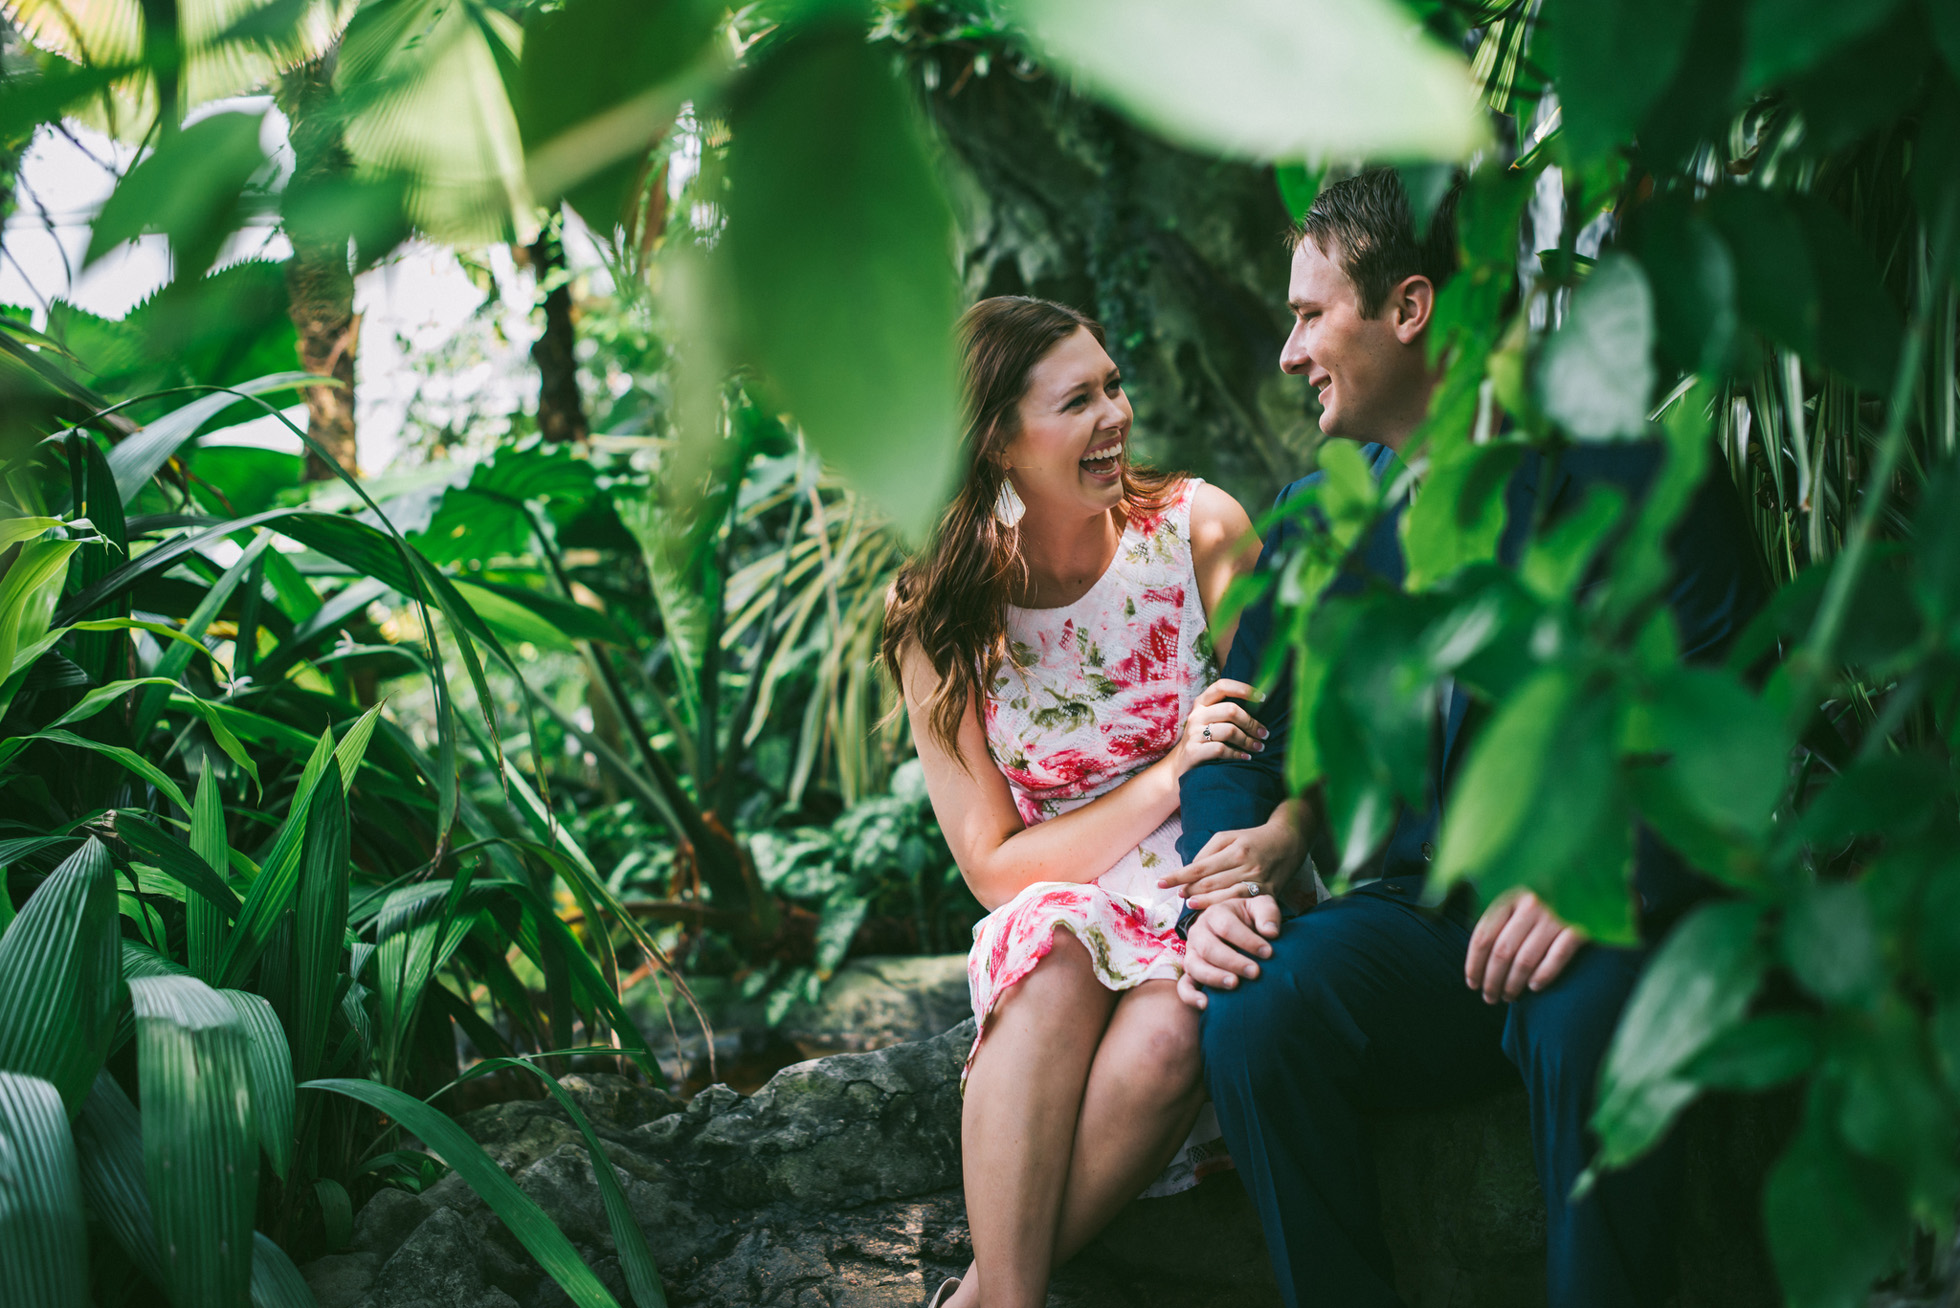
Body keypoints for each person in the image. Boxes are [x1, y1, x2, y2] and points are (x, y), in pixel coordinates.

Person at [1173, 170, 1770, 1308]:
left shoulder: (1631, 468)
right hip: (1419, 925)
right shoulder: (1317, 514)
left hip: (1604, 915)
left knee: (1585, 1005)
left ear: (1408, 308)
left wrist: (1605, 875)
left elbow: (1736, 712)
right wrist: (1227, 890)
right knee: (1257, 1007)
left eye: (1308, 315)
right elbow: (1231, 733)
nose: (1289, 352)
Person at [882, 296, 1316, 1308]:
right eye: (1078, 400)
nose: (1115, 415)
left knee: (1176, 1031)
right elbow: (992, 866)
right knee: (1049, 951)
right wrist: (1166, 770)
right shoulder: (937, 616)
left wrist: (1267, 833)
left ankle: (991, 1295)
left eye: (1113, 385)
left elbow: (1307, 742)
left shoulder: (1199, 528)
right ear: (996, 438)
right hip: (1062, 889)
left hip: (1215, 872)